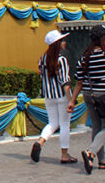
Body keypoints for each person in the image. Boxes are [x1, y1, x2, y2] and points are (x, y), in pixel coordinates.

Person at [68, 24, 105, 174]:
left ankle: (103, 161)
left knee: (97, 127)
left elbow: (79, 81)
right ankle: (90, 153)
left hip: (89, 95)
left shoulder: (85, 57)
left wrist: (72, 100)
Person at [31, 29, 76, 164]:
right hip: (62, 96)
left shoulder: (42, 59)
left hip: (48, 96)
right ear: (57, 43)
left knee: (52, 123)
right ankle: (64, 154)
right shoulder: (61, 60)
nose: (64, 42)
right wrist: (71, 100)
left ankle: (40, 141)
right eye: (62, 40)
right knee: (64, 124)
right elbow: (65, 82)